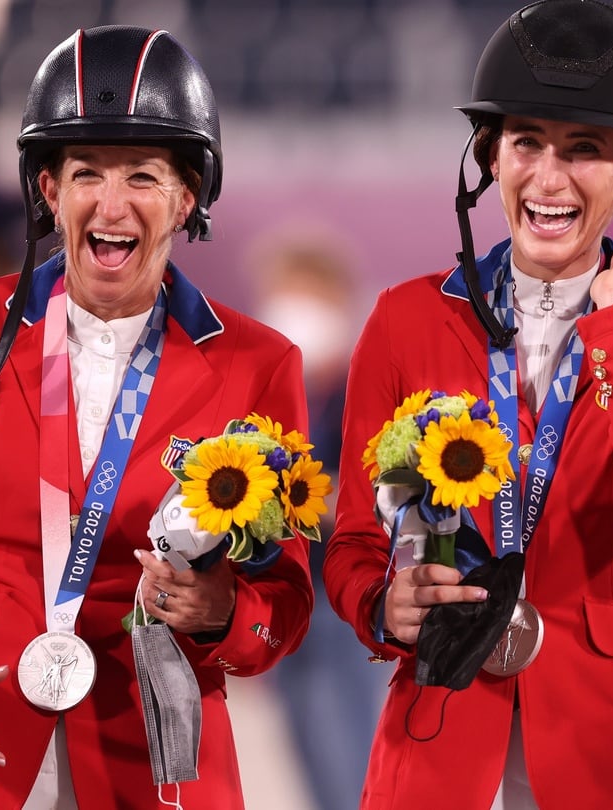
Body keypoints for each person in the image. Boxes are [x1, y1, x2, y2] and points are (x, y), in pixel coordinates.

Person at [0, 26, 312, 809]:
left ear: (186, 197)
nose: (112, 202)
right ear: (50, 191)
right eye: (86, 171)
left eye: (144, 176)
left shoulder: (260, 364)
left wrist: (224, 610)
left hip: (149, 760)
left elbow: (285, 604)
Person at [323, 2, 613, 808]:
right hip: (442, 729)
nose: (549, 179)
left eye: (584, 150)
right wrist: (382, 602)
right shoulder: (405, 319)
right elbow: (351, 538)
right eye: (527, 144)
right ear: (492, 157)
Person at [252, 234, 389, 810]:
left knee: (352, 750)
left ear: (333, 297)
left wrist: (299, 495)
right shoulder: (272, 388)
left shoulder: (364, 383)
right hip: (285, 593)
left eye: (300, 293)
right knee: (306, 743)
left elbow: (381, 489)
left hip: (346, 596)